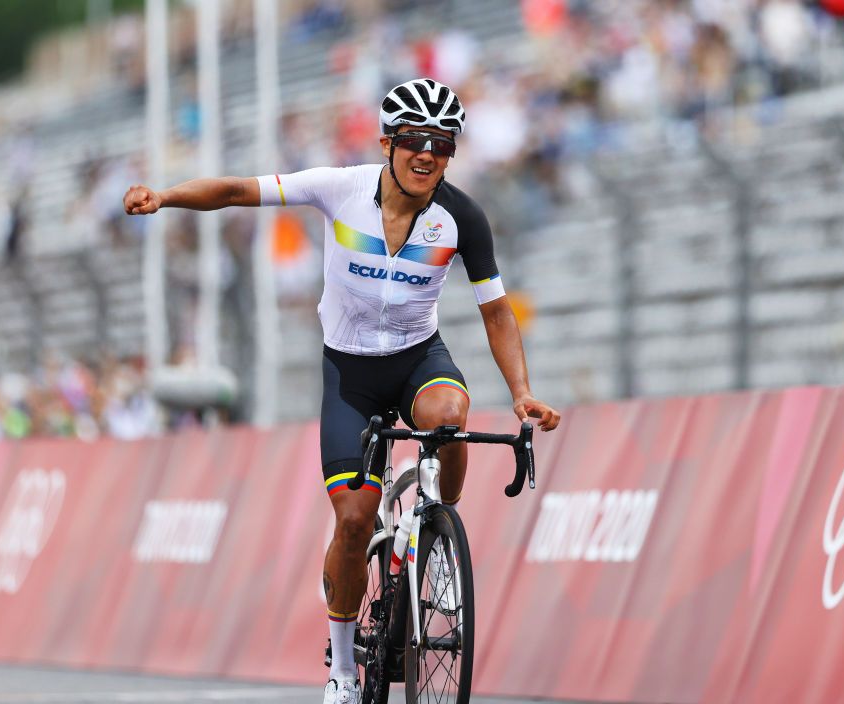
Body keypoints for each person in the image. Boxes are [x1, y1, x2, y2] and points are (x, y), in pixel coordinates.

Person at [123, 78, 561, 703]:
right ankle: (344, 670)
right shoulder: (341, 189)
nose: (426, 154)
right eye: (414, 140)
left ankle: (434, 519)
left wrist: (521, 392)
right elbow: (236, 191)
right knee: (353, 521)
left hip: (418, 360)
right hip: (349, 374)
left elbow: (495, 312)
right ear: (388, 142)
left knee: (450, 412)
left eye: (441, 144)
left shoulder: (460, 216)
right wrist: (164, 196)